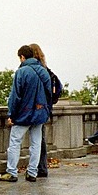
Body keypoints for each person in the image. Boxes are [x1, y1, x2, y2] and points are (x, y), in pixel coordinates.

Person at [0, 45, 51, 183]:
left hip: (24, 114)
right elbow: (49, 94)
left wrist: (12, 115)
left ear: (22, 57)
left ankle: (12, 172)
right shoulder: (43, 71)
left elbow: (15, 96)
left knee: (15, 142)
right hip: (40, 113)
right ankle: (32, 172)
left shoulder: (21, 72)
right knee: (36, 143)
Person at [29, 43, 62, 178]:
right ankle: (41, 167)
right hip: (45, 108)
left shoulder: (33, 70)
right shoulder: (47, 70)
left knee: (36, 140)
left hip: (34, 108)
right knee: (40, 138)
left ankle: (38, 167)